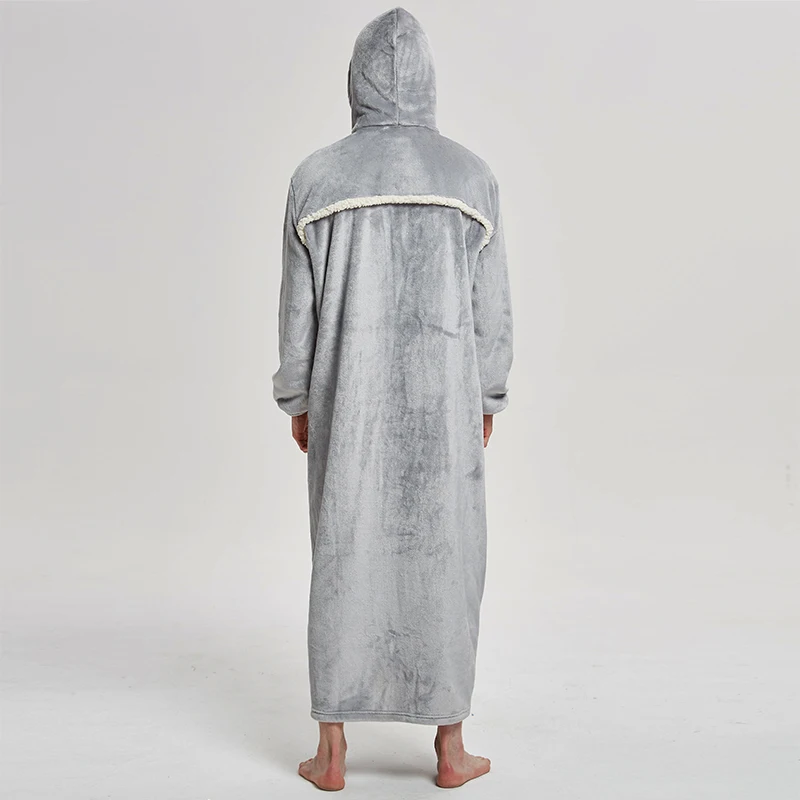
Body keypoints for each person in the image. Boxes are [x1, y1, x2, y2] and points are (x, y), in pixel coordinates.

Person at [272, 6, 513, 790]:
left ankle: (331, 749)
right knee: (450, 555)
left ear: (357, 80)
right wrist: (487, 396)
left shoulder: (317, 178)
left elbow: (297, 311)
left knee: (343, 548)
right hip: (446, 409)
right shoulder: (470, 178)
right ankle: (450, 746)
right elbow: (491, 310)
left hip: (348, 407)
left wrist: (300, 397)